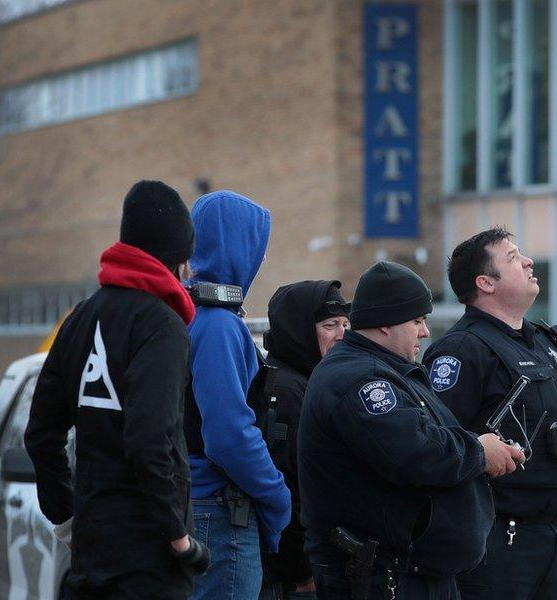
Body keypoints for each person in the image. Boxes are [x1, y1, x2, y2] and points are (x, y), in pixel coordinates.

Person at [25, 180, 209, 600]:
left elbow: (40, 433)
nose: (191, 272)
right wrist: (178, 536)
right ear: (174, 260)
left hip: (91, 550)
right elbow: (148, 439)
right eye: (188, 260)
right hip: (149, 560)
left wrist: (67, 517)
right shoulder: (163, 325)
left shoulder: (80, 318)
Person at [298, 261, 525, 600]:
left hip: (412, 574)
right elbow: (417, 452)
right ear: (385, 323)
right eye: (417, 320)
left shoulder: (388, 371)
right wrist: (479, 451)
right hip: (383, 577)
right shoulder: (360, 380)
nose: (425, 332)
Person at [422, 227, 557, 600]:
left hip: (550, 536)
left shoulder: (546, 344)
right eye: (513, 258)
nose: (528, 262)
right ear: (485, 282)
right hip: (496, 540)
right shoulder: (462, 350)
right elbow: (439, 445)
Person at [184, 190, 292, 599]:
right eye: (256, 244)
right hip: (219, 513)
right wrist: (277, 496)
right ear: (235, 246)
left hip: (195, 508)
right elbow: (229, 435)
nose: (261, 258)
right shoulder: (217, 325)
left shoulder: (187, 312)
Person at [259, 280, 350, 599]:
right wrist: (301, 571)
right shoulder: (287, 390)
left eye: (345, 324)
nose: (342, 334)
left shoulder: (313, 381)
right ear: (298, 330)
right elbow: (289, 486)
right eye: (330, 325)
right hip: (289, 574)